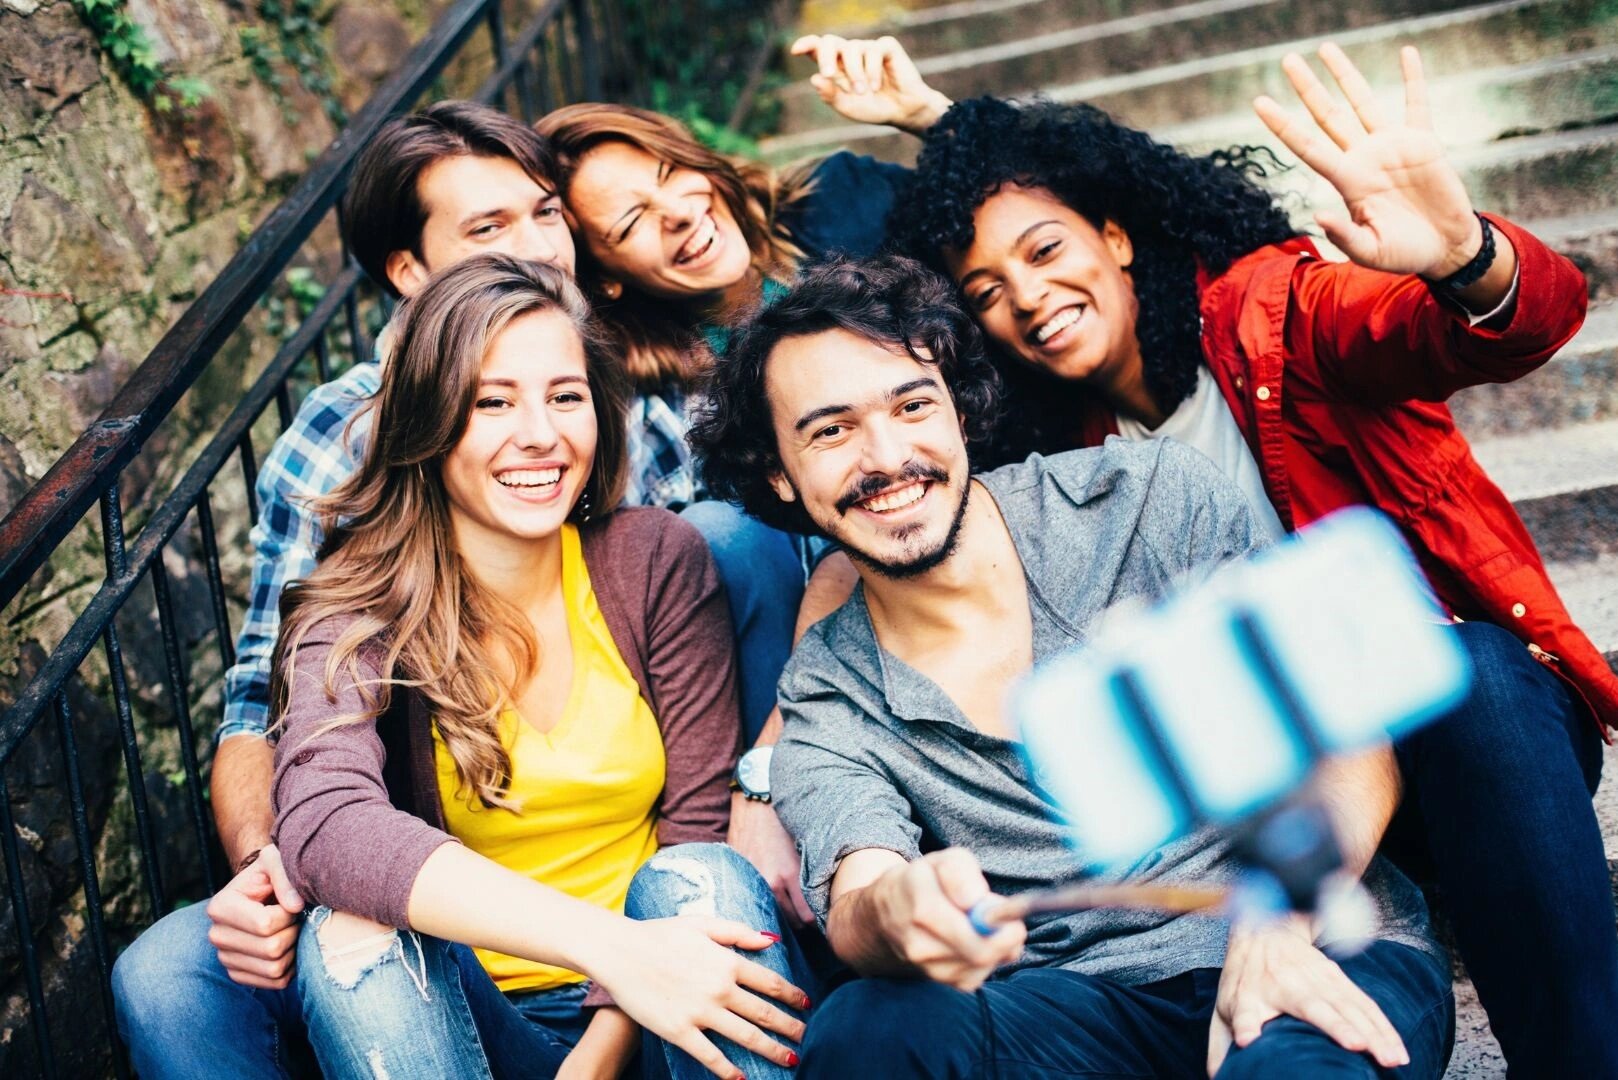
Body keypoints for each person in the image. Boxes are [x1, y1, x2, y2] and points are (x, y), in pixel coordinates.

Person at [886, 44, 1618, 1076]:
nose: (1029, 295)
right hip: (1270, 804)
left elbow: (1486, 329)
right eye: (988, 289)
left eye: (1048, 251)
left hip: (1459, 746)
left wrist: (1463, 257)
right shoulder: (1053, 461)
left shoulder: (1270, 314)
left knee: (1475, 673)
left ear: (1115, 233)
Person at [688, 254, 1455, 1078]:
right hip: (1070, 1009)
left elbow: (1350, 736)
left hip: (1304, 936)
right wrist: (899, 911)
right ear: (780, 472)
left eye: (912, 406)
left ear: (958, 413)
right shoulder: (828, 688)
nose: (887, 456)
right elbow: (858, 889)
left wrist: (1277, 923)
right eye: (831, 430)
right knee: (866, 1024)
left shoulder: (1146, 496)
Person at [112, 100, 578, 1078]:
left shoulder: (617, 397)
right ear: (406, 273)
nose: (540, 248)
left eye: (547, 213)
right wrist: (269, 865)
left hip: (595, 842)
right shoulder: (336, 440)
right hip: (399, 843)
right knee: (167, 975)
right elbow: (259, 699)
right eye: (489, 229)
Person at [269, 253, 808, 1080]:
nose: (542, 435)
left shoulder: (652, 560)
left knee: (700, 873)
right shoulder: (352, 605)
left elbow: (700, 819)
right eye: (492, 402)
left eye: (566, 396)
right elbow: (327, 823)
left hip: (668, 1010)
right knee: (352, 933)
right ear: (428, 418)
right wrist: (610, 946)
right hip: (471, 1024)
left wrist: (599, 1048)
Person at [535, 36, 950, 925]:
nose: (679, 215)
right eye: (632, 223)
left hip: (933, 559)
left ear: (700, 162)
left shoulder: (846, 205)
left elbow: (1034, 208)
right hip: (790, 659)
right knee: (722, 530)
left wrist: (925, 116)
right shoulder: (643, 397)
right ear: (605, 279)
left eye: (670, 176)